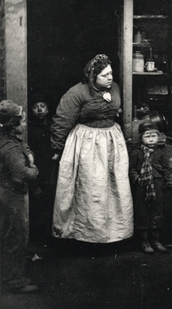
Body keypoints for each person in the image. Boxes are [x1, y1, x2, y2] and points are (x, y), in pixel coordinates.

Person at [51, 54, 133, 243]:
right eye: (105, 75)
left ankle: (113, 234)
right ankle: (85, 235)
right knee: (91, 188)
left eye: (111, 73)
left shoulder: (116, 88)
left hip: (112, 141)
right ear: (92, 77)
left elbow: (117, 110)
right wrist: (57, 148)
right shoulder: (77, 92)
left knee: (112, 188)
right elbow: (62, 120)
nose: (110, 78)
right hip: (87, 143)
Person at [0, 100, 40, 294]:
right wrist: (34, 169)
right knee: (15, 238)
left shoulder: (10, 141)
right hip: (11, 196)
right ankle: (15, 282)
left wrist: (29, 155)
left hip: (8, 194)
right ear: (13, 124)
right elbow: (21, 174)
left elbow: (26, 149)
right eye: (22, 121)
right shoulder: (9, 147)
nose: (25, 124)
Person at [129, 121, 170, 254]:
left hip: (156, 184)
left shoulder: (160, 152)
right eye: (147, 136)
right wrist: (137, 178)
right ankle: (144, 240)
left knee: (157, 211)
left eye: (154, 136)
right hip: (142, 185)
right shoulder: (137, 153)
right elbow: (132, 168)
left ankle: (156, 240)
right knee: (142, 211)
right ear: (141, 138)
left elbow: (165, 168)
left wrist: (164, 178)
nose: (151, 138)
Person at [28, 94, 55, 251]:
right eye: (35, 106)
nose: (39, 110)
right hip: (36, 171)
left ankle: (50, 240)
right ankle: (38, 241)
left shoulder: (53, 127)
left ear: (48, 109)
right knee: (37, 205)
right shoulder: (29, 130)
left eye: (42, 106)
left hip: (50, 171)